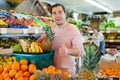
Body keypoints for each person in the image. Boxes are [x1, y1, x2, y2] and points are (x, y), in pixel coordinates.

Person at [37, 3, 84, 75]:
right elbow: (41, 39)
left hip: (66, 73)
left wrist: (68, 51)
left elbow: (80, 51)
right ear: (52, 16)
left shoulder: (73, 30)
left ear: (65, 14)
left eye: (60, 12)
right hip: (50, 71)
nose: (57, 15)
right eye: (54, 13)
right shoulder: (52, 28)